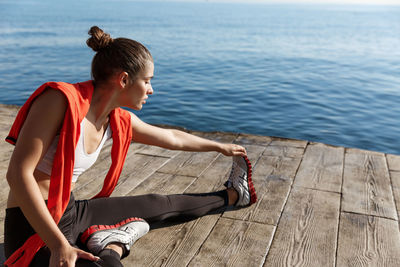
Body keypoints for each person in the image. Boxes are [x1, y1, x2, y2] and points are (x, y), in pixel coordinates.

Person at [4, 26, 257, 267]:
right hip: (33, 228)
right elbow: (18, 173)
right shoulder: (59, 101)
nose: (151, 89)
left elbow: (172, 138)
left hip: (69, 212)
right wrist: (59, 245)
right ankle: (113, 246)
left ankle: (233, 194)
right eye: (147, 81)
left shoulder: (115, 119)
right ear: (124, 80)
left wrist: (219, 146)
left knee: (160, 204)